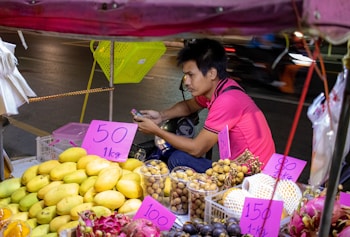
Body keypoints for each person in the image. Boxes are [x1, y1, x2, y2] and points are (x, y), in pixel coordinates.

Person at [133, 38, 275, 173]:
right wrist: (161, 116)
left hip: (251, 176)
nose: (187, 82)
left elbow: (197, 149)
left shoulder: (227, 101)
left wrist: (157, 131)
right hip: (236, 166)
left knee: (178, 159)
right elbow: (189, 106)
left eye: (191, 75)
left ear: (212, 73)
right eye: (185, 76)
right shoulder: (223, 87)